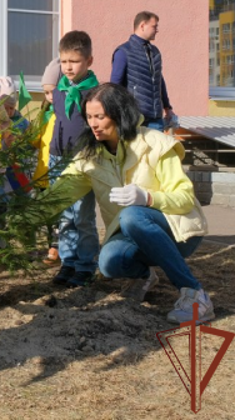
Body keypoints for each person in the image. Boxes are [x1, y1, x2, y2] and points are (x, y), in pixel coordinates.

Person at [31, 83, 213, 324]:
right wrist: (15, 219)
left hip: (178, 232)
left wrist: (147, 198)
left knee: (132, 216)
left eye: (100, 117)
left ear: (118, 114)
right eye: (89, 117)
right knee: (108, 262)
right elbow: (58, 196)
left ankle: (195, 294)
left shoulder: (156, 144)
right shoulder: (90, 157)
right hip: (133, 234)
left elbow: (184, 199)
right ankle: (145, 276)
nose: (93, 123)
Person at [49, 31, 100, 288]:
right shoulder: (59, 90)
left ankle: (86, 265)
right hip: (57, 158)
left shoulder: (94, 94)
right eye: (64, 61)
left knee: (82, 217)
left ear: (89, 61)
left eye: (75, 61)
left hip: (81, 160)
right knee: (64, 216)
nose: (68, 67)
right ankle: (67, 262)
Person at [110, 11, 175, 131]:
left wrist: (167, 107)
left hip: (156, 119)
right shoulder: (124, 52)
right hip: (135, 118)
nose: (157, 30)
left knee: (158, 150)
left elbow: (159, 80)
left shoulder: (155, 52)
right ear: (142, 25)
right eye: (154, 26)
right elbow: (115, 85)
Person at [32, 58, 60, 265]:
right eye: (47, 93)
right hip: (43, 174)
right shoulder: (45, 114)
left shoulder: (65, 115)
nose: (50, 97)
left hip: (59, 174)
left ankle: (57, 247)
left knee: (60, 213)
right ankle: (52, 244)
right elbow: (35, 141)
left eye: (53, 92)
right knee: (49, 215)